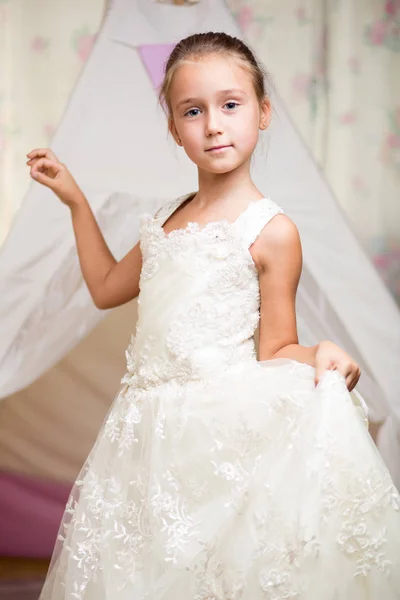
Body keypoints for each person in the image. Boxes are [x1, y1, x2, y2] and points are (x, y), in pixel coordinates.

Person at [27, 31, 400, 600]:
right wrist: (77, 201)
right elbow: (105, 288)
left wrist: (320, 352)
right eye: (193, 111)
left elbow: (277, 348)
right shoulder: (168, 217)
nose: (214, 125)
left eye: (231, 105)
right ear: (175, 129)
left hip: (216, 431)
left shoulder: (272, 232)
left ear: (263, 112)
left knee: (209, 568)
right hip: (142, 431)